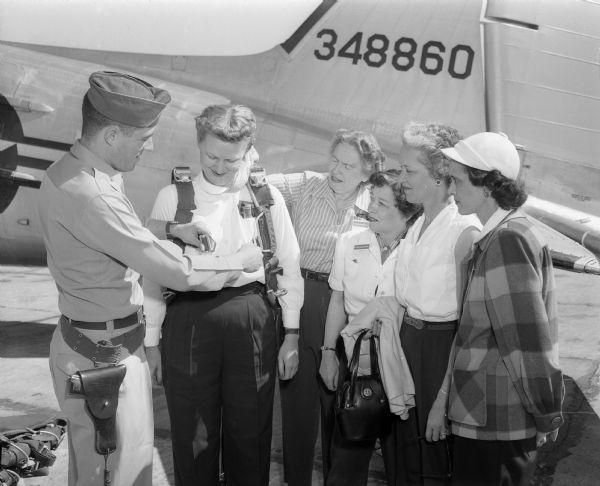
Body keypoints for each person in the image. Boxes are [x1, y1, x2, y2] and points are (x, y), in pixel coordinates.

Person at [36, 72, 263, 486]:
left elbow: (107, 233)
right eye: (143, 138)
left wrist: (168, 231)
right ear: (110, 135)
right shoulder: (95, 194)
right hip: (103, 358)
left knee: (105, 466)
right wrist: (239, 259)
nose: (151, 145)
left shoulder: (75, 172)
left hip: (96, 344)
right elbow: (177, 272)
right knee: (114, 473)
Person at [142, 104, 304, 486]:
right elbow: (152, 275)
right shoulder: (172, 197)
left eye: (230, 159)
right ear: (198, 145)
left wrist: (292, 335)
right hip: (188, 317)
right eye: (211, 156)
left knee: (250, 429)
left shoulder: (268, 198)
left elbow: (289, 264)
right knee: (193, 433)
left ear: (248, 150)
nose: (218, 165)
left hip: (250, 313)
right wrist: (151, 342)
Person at [441, 132, 564, 485]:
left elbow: (526, 342)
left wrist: (546, 411)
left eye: (458, 181)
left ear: (487, 185)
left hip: (497, 425)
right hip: (485, 420)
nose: (452, 190)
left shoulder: (508, 240)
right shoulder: (500, 236)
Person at [268, 129, 385, 485]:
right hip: (302, 299)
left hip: (348, 308)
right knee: (298, 405)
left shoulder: (375, 202)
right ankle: (296, 480)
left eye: (349, 166)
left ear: (366, 172)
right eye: (335, 160)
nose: (337, 170)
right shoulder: (305, 185)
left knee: (343, 404)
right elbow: (254, 183)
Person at [384, 122, 481, 485]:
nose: (401, 178)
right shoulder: (417, 223)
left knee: (432, 461)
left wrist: (443, 399)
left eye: (410, 171)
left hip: (440, 353)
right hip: (407, 345)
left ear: (439, 176)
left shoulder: (463, 232)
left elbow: (468, 326)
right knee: (402, 456)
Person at [320, 170, 422, 486]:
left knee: (403, 458)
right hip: (357, 361)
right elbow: (337, 302)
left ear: (407, 213)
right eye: (372, 200)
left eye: (382, 203)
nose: (370, 209)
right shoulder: (350, 242)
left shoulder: (420, 252)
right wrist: (327, 354)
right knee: (347, 455)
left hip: (402, 362)